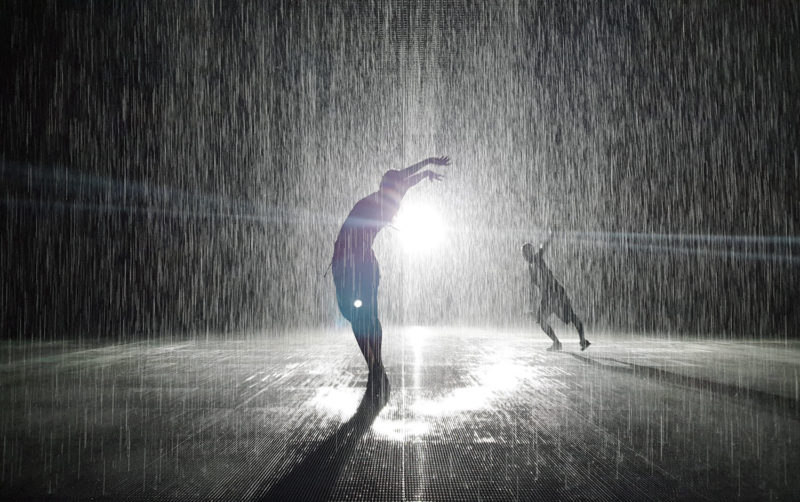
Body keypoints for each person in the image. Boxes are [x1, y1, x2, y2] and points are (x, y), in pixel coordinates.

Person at [332, 156, 451, 402]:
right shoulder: (377, 201)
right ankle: (375, 365)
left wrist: (427, 169)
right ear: (384, 187)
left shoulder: (392, 194)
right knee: (361, 316)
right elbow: (404, 177)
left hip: (358, 262)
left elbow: (405, 178)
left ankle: (376, 366)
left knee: (365, 316)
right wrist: (427, 166)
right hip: (349, 260)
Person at [522, 234, 590, 351]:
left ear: (530, 252)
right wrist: (531, 303)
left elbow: (544, 247)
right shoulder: (530, 267)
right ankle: (558, 343)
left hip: (556, 293)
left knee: (570, 318)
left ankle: (582, 340)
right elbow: (534, 287)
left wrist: (551, 235)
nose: (524, 256)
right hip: (548, 297)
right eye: (523, 254)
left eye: (525, 253)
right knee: (541, 320)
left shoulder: (537, 258)